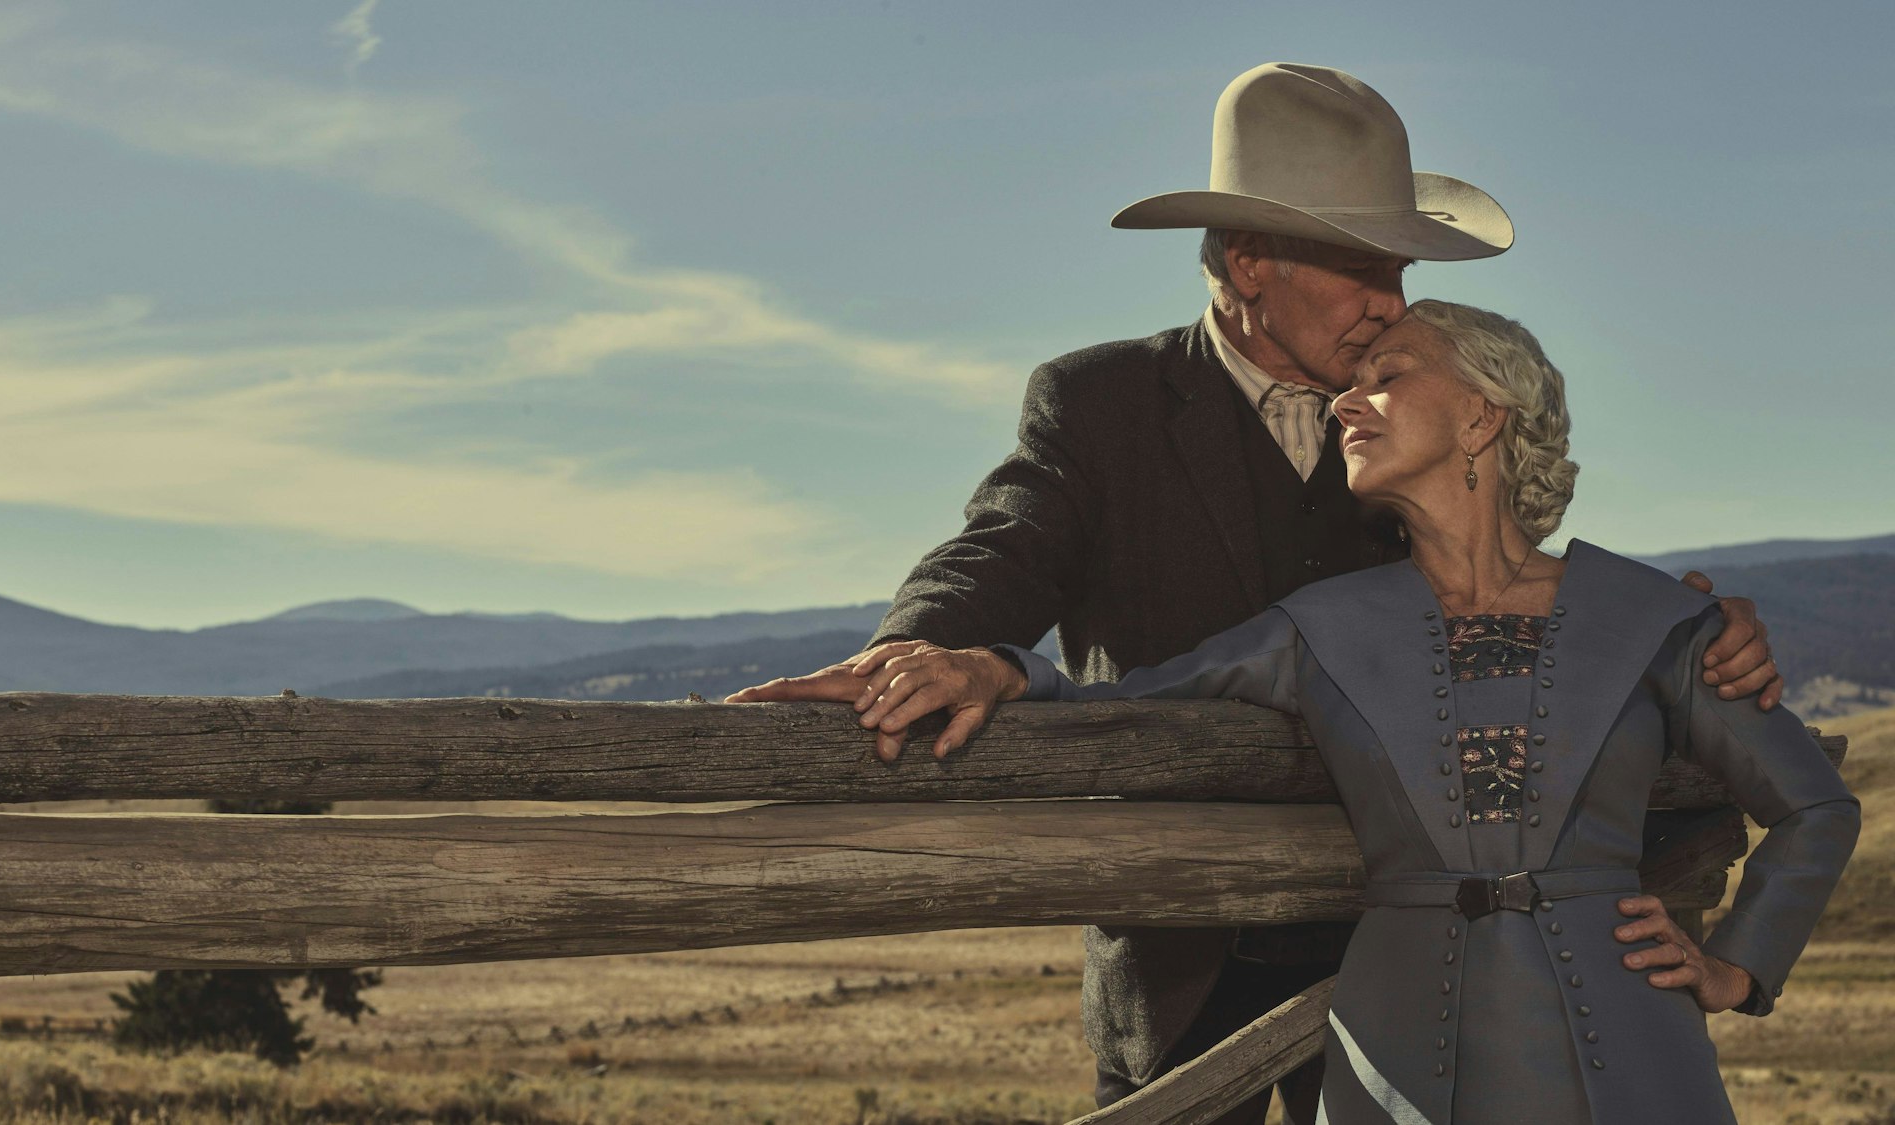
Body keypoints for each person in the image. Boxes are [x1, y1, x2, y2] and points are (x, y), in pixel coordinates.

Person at [727, 63, 1786, 1121]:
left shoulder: (1411, 417)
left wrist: (1693, 627)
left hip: (1412, 948)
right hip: (1178, 950)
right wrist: (926, 648)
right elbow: (1001, 549)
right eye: (1360, 268)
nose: (1391, 304)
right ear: (1248, 259)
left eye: (1400, 271)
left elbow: (1519, 590)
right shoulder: (1101, 403)